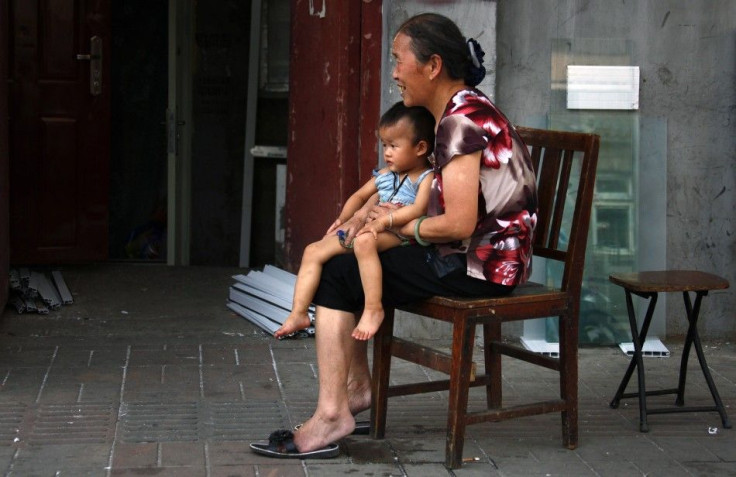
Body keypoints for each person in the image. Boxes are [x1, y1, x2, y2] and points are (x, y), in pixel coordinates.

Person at [250, 12, 538, 459]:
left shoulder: (460, 122)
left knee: (338, 274)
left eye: (398, 60)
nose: (394, 73)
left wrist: (392, 224)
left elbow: (459, 224)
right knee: (345, 264)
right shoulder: (460, 110)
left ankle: (333, 413)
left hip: (480, 266)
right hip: (476, 256)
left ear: (433, 65)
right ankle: (357, 390)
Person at [274, 101, 435, 341]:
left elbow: (418, 209)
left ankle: (373, 308)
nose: (386, 152)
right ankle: (298, 313)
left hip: (398, 233)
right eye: (384, 145)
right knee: (314, 250)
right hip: (370, 228)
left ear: (420, 147)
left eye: (393, 145)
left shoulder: (426, 177)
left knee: (363, 244)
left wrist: (384, 221)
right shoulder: (384, 175)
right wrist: (343, 220)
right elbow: (359, 196)